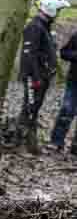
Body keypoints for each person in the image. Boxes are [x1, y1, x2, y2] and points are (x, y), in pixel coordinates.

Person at [17, 0, 69, 154]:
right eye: (57, 11)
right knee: (29, 109)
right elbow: (28, 54)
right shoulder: (35, 27)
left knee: (34, 108)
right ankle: (20, 142)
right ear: (51, 9)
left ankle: (28, 142)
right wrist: (35, 77)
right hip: (35, 76)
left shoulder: (44, 27)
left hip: (42, 75)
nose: (58, 14)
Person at [49, 29, 77, 157]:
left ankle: (75, 148)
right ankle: (56, 141)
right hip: (74, 81)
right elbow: (64, 52)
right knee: (67, 109)